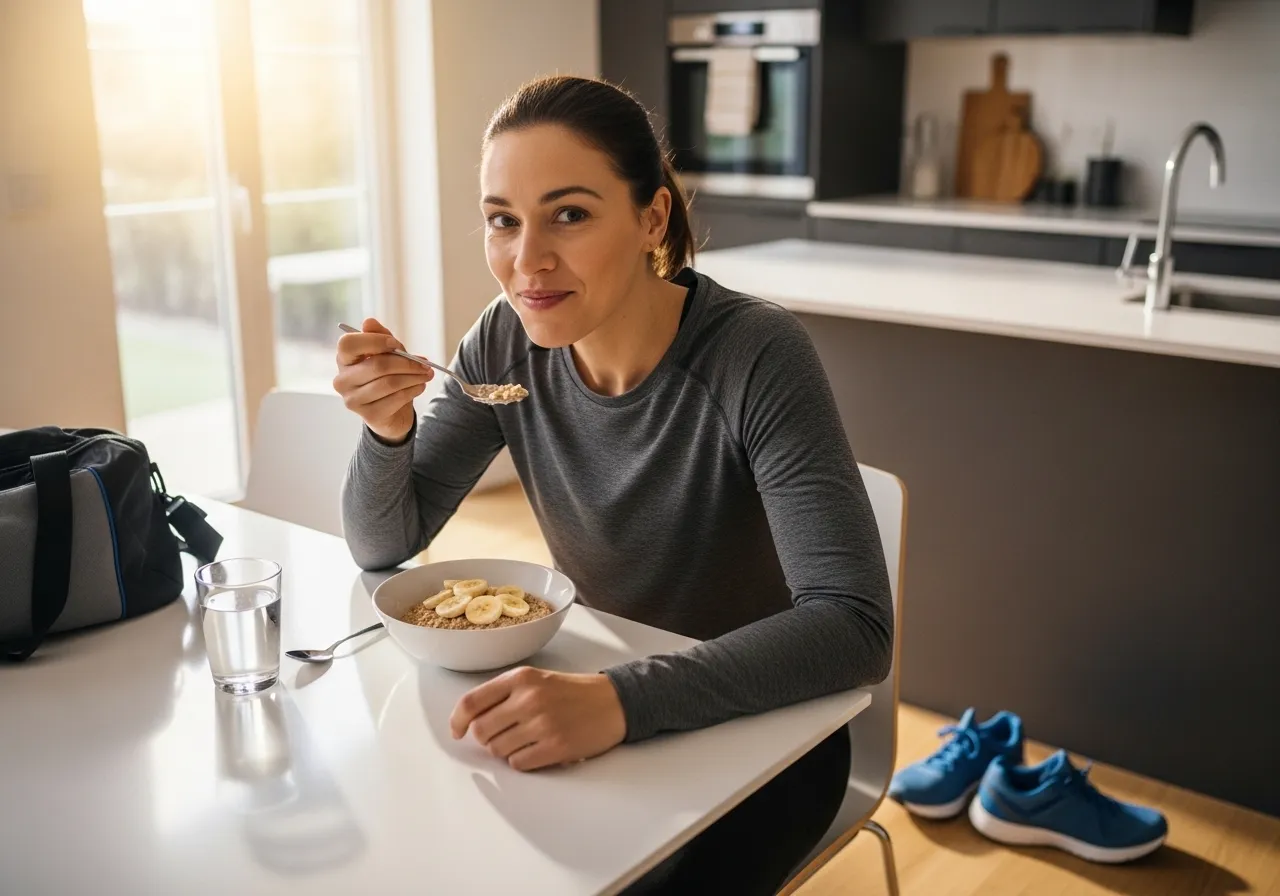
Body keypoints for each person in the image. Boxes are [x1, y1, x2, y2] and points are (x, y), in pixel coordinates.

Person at [334, 74, 893, 894]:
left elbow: (854, 628)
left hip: (772, 734)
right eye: (503, 221)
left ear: (651, 217)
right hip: (600, 696)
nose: (527, 262)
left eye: (569, 214)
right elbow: (382, 542)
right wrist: (387, 432)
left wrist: (619, 702)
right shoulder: (504, 343)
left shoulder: (756, 354)